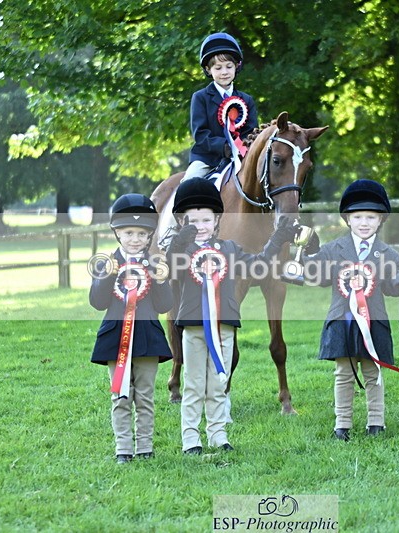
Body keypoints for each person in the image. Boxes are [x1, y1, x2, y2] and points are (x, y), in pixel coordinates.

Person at [166, 178, 297, 454]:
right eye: (193, 221)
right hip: (193, 327)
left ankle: (218, 434)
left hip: (224, 326)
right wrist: (177, 244)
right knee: (193, 385)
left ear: (217, 222)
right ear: (182, 223)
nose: (200, 227)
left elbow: (258, 264)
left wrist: (277, 239)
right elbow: (172, 270)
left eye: (206, 220)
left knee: (218, 383)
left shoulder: (230, 249)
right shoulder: (183, 252)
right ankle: (191, 438)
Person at [303, 179, 399, 441]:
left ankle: (376, 422)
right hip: (342, 321)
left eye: (371, 217)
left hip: (374, 322)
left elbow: (394, 286)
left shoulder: (388, 253)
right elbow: (316, 276)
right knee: (344, 374)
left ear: (381, 220)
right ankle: (342, 424)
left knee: (374, 372)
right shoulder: (333, 249)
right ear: (347, 219)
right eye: (358, 216)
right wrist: (309, 252)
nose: (364, 222)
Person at [89, 193, 173, 463]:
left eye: (141, 233)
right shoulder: (106, 263)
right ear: (117, 233)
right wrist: (108, 275)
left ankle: (145, 448)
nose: (135, 239)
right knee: (121, 396)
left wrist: (161, 280)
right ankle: (123, 449)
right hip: (116, 340)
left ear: (149, 236)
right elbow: (97, 302)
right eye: (128, 233)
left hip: (148, 338)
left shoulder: (156, 264)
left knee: (146, 395)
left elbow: (164, 306)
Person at [183, 32, 258, 181]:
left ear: (237, 66)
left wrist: (241, 147)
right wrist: (225, 147)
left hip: (242, 156)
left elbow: (252, 131)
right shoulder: (200, 97)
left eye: (229, 66)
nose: (224, 72)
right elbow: (201, 134)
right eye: (218, 68)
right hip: (207, 158)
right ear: (208, 70)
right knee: (189, 183)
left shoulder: (247, 100)